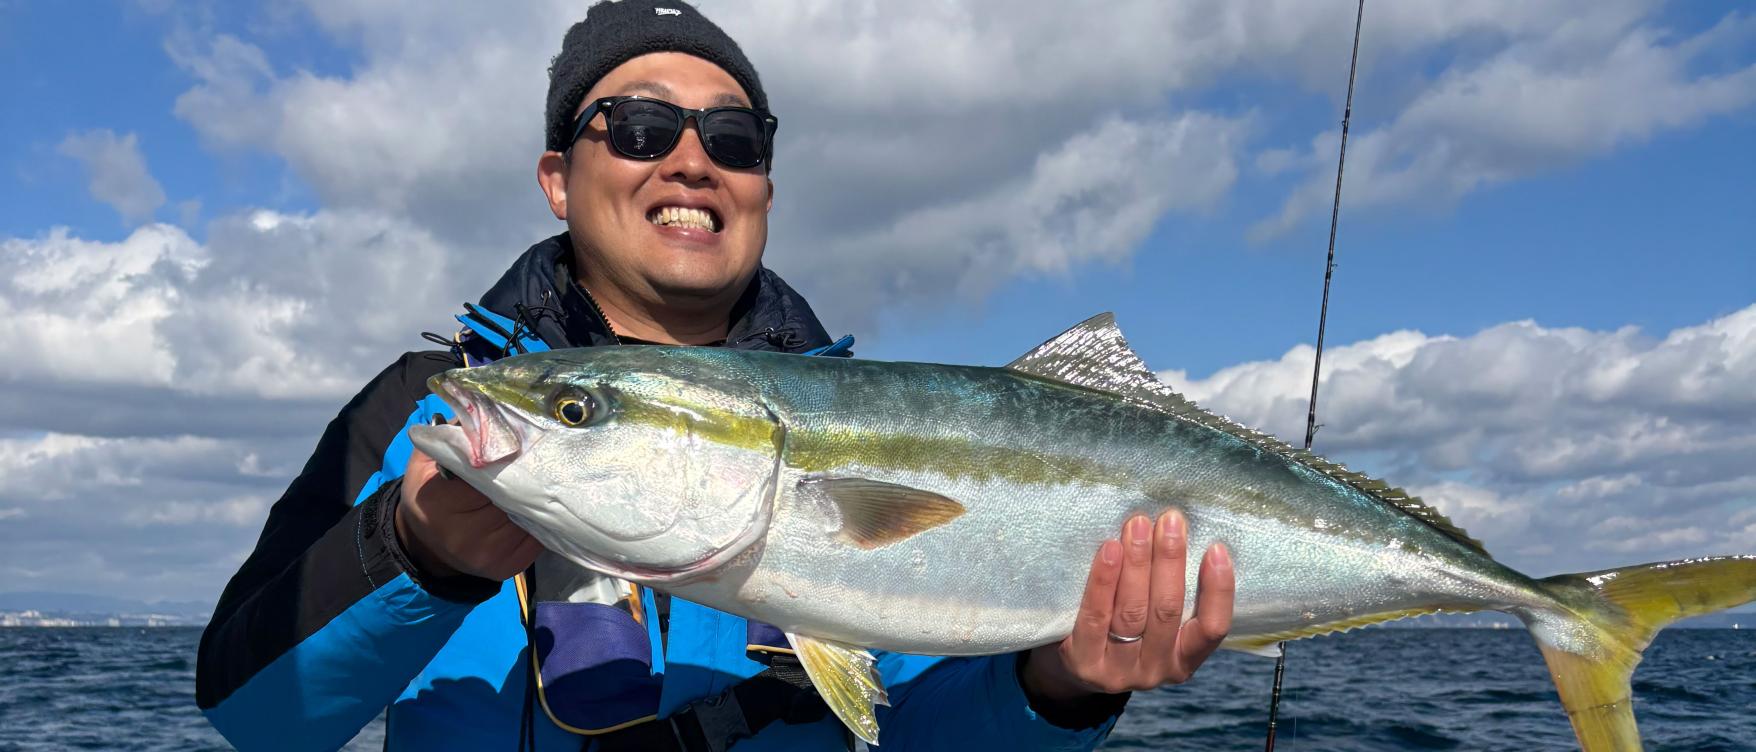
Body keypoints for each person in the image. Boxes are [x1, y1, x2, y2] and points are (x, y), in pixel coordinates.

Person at [195, 2, 1235, 749]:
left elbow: (924, 734)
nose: (692, 161)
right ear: (559, 177)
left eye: (732, 139)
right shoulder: (428, 404)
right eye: (640, 127)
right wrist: (416, 553)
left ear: (763, 186)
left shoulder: (876, 419)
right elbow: (255, 717)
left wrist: (1057, 690)